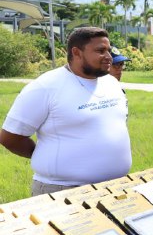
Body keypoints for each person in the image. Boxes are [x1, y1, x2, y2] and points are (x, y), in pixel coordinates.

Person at [1, 27, 131, 195]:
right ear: (76, 52)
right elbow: (10, 137)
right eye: (100, 51)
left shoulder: (111, 83)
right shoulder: (45, 87)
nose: (108, 57)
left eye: (108, 50)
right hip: (62, 190)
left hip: (116, 187)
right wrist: (43, 155)